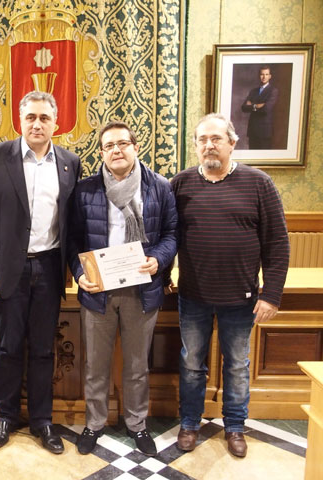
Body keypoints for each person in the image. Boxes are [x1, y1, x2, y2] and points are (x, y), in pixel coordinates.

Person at [172, 113, 289, 458]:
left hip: (242, 298)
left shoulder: (259, 183)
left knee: (237, 365)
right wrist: (163, 277)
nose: (209, 145)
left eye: (216, 139)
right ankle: (190, 422)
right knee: (192, 363)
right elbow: (165, 235)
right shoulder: (180, 184)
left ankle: (235, 426)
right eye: (202, 140)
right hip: (192, 295)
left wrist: (272, 294)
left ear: (232, 142)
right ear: (195, 146)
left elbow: (278, 243)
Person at [0, 91, 80, 454]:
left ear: (56, 122)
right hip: (8, 271)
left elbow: (73, 221)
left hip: (50, 268)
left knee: (43, 350)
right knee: (8, 346)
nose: (37, 124)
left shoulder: (70, 162)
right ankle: (5, 416)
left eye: (44, 118)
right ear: (20, 119)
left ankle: (42, 421)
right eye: (31, 117)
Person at [67, 121, 177, 456]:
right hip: (97, 291)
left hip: (142, 290)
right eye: (109, 145)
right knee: (96, 365)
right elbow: (71, 239)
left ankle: (137, 424)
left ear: (135, 147)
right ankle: (94, 423)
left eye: (123, 144)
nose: (116, 150)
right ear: (101, 152)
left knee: (136, 365)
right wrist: (77, 273)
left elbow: (172, 234)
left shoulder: (158, 186)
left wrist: (158, 259)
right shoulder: (85, 190)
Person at [241, 66, 278, 149]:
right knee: (252, 158)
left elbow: (266, 109)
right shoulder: (253, 91)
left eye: (266, 74)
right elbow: (243, 108)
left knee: (263, 158)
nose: (264, 77)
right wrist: (257, 105)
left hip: (265, 132)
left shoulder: (273, 91)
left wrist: (251, 105)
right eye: (262, 74)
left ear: (270, 76)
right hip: (253, 130)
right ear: (259, 76)